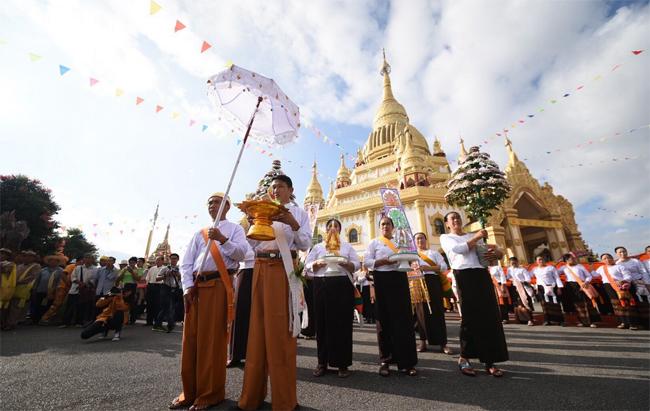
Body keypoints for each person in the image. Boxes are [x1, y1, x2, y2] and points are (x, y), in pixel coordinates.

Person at [238, 175, 312, 411]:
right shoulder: (262, 210)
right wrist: (250, 222)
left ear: (291, 190)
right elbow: (248, 248)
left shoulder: (298, 213)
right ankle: (251, 398)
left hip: (283, 269)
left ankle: (284, 401)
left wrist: (292, 222)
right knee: (256, 332)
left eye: (280, 186)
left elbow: (304, 244)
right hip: (259, 268)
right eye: (272, 187)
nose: (275, 190)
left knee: (281, 334)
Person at [169, 193, 247, 411]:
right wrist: (186, 288)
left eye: (217, 202)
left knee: (212, 340)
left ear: (227, 206)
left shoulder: (235, 229)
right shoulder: (199, 233)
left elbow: (243, 253)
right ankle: (190, 392)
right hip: (196, 288)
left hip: (218, 285)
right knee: (191, 341)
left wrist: (223, 239)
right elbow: (186, 263)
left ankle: (210, 394)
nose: (213, 205)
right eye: (210, 202)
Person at [440, 212, 508, 377]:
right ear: (447, 224)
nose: (456, 220)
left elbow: (493, 251)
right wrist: (477, 236)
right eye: (452, 219)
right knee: (469, 317)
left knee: (489, 316)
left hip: (481, 275)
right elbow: (460, 250)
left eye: (458, 217)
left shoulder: (472, 235)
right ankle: (464, 357)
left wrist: (497, 253)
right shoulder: (446, 237)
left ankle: (489, 360)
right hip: (463, 276)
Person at [305, 218, 360, 378]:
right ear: (326, 230)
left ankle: (342, 364)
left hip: (342, 285)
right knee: (322, 323)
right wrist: (317, 263)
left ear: (340, 230)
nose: (333, 228)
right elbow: (308, 265)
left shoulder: (347, 246)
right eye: (330, 226)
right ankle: (322, 362)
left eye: (336, 226)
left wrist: (346, 263)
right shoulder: (318, 247)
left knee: (342, 324)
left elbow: (356, 264)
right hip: (322, 284)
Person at [364, 216, 418, 377]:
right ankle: (385, 361)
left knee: (404, 320)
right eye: (382, 224)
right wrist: (383, 261)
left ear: (393, 227)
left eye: (388, 224)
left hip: (399, 279)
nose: (385, 226)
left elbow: (413, 256)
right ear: (379, 227)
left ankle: (407, 362)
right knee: (384, 320)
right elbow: (367, 262)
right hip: (382, 280)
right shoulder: (374, 243)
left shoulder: (401, 241)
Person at [413, 232, 453, 355]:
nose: (420, 241)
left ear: (426, 240)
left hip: (433, 281)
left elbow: (444, 267)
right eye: (417, 239)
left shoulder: (434, 253)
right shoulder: (412, 256)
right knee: (421, 312)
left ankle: (443, 343)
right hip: (417, 283)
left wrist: (428, 268)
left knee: (437, 311)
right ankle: (423, 341)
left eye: (422, 238)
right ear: (414, 242)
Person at [228, 246, 255, 368]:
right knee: (240, 311)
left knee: (262, 313)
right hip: (246, 269)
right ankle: (236, 355)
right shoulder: (241, 229)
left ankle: (259, 355)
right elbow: (238, 253)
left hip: (268, 267)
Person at [593, 253, 633, 329]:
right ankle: (622, 322)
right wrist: (591, 267)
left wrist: (623, 281)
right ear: (602, 261)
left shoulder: (619, 266)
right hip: (608, 287)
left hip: (620, 285)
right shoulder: (601, 268)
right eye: (604, 258)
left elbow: (628, 275)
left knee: (625, 302)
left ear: (612, 258)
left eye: (608, 257)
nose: (607, 260)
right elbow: (594, 275)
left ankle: (631, 322)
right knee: (616, 304)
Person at [615, 246, 650, 329]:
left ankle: (647, 323)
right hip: (627, 286)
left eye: (624, 251)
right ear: (616, 254)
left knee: (643, 303)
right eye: (620, 252)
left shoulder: (635, 261)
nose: (622, 253)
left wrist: (647, 283)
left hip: (639, 283)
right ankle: (637, 323)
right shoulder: (617, 264)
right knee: (632, 304)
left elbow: (643, 272)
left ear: (627, 251)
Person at [561, 253, 600, 327]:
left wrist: (586, 282)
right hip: (571, 286)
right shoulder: (563, 268)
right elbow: (555, 273)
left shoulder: (580, 266)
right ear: (565, 261)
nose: (571, 259)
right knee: (577, 304)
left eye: (572, 258)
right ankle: (582, 321)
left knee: (586, 302)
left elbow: (588, 276)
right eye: (569, 259)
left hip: (582, 284)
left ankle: (592, 321)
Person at [5, 250, 41, 329]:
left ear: (33, 258)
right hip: (12, 287)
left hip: (24, 288)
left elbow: (32, 277)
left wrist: (19, 282)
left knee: (16, 307)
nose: (26, 258)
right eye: (25, 256)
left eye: (29, 256)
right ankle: (8, 322)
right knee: (9, 306)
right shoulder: (19, 266)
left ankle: (11, 324)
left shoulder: (36, 266)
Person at [61, 255, 94, 327]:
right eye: (86, 258)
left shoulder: (95, 269)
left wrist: (85, 284)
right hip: (74, 289)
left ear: (92, 260)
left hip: (85, 290)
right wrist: (79, 283)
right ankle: (66, 322)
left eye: (90, 258)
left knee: (82, 307)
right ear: (84, 259)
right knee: (70, 306)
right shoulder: (78, 268)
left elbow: (94, 279)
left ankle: (79, 322)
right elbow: (73, 277)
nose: (88, 260)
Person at [532, 255, 565, 326]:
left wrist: (559, 288)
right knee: (544, 304)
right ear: (536, 262)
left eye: (542, 259)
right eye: (539, 259)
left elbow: (556, 277)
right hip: (541, 288)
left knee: (555, 303)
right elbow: (528, 276)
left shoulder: (551, 268)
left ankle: (560, 320)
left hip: (552, 286)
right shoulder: (534, 269)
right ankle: (547, 320)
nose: (541, 261)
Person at [30, 255, 64, 324]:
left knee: (48, 306)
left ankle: (44, 319)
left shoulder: (60, 271)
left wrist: (54, 290)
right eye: (51, 261)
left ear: (58, 262)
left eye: (55, 261)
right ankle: (35, 320)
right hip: (41, 290)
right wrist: (34, 289)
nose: (53, 262)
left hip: (53, 292)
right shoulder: (43, 270)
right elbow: (37, 280)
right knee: (38, 305)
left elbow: (60, 281)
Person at [154, 253, 181, 332]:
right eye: (172, 258)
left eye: (175, 258)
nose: (173, 260)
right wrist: (166, 275)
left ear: (178, 259)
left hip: (175, 289)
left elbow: (183, 279)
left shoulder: (180, 269)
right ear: (169, 259)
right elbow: (157, 278)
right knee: (167, 307)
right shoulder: (165, 268)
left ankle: (161, 324)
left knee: (170, 308)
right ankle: (169, 325)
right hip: (165, 288)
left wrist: (178, 275)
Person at [507, 257, 535, 326]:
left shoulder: (522, 269)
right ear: (510, 263)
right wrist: (513, 280)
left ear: (517, 262)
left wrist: (520, 282)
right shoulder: (509, 269)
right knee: (517, 305)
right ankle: (521, 320)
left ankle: (530, 320)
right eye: (511, 263)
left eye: (514, 262)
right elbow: (508, 277)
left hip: (523, 288)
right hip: (514, 288)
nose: (513, 264)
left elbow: (528, 279)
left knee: (525, 303)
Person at [116, 256, 141, 324]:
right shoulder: (124, 269)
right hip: (125, 286)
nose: (131, 264)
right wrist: (123, 272)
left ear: (135, 263)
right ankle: (124, 319)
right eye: (130, 262)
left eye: (133, 262)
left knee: (132, 304)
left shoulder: (138, 270)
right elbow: (118, 278)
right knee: (124, 303)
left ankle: (132, 319)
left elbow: (138, 279)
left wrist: (132, 272)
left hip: (133, 286)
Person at [145, 256, 165, 326]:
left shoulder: (164, 268)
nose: (157, 261)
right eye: (156, 260)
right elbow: (147, 278)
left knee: (158, 305)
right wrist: (148, 285)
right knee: (149, 304)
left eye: (159, 260)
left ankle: (157, 322)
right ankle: (149, 321)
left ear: (163, 261)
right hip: (151, 286)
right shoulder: (152, 268)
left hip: (159, 287)